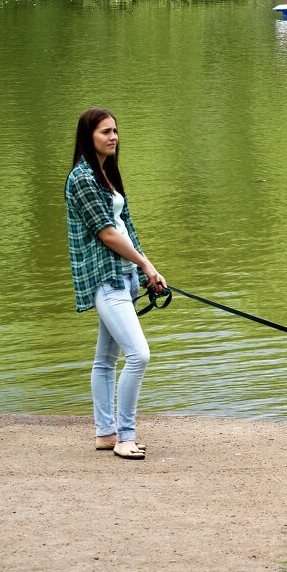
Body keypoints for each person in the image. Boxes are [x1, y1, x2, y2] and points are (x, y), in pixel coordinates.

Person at [65, 108, 166, 461]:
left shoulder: (105, 174)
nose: (113, 137)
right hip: (106, 280)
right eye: (105, 132)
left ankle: (105, 433)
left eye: (116, 131)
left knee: (105, 361)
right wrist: (146, 264)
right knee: (139, 354)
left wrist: (146, 272)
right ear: (88, 136)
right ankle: (125, 436)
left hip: (124, 278)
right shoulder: (82, 179)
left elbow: (125, 228)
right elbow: (107, 234)